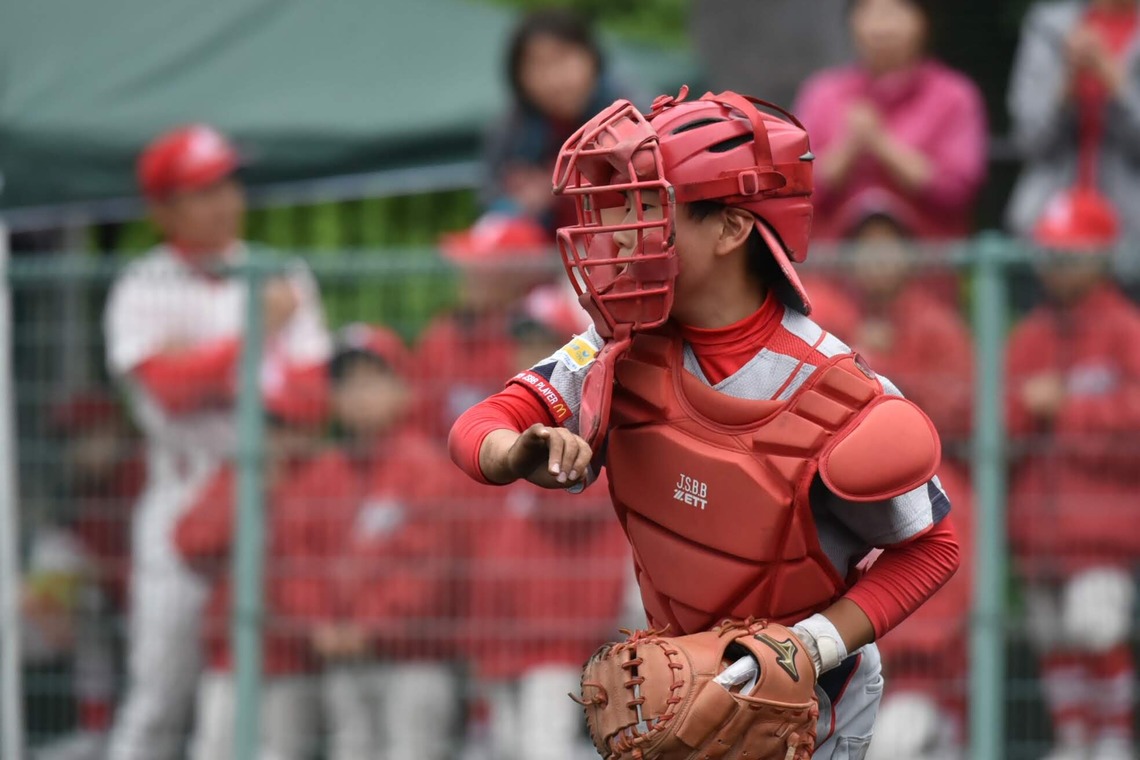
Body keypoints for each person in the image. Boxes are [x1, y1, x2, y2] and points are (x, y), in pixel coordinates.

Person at [450, 86, 960, 755]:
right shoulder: (617, 346)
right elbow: (478, 426)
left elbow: (932, 549)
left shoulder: (837, 391)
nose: (627, 231)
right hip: (674, 696)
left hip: (809, 713)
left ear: (731, 227)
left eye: (652, 208)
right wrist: (516, 452)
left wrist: (808, 647)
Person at [102, 124, 331, 760]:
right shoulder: (142, 284)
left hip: (267, 488)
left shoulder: (280, 272)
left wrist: (205, 364)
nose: (226, 198)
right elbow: (168, 392)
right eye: (203, 189)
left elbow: (310, 401)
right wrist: (256, 340)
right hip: (184, 488)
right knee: (159, 697)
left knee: (249, 684)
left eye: (228, 181)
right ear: (165, 209)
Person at [465, 287, 629, 760]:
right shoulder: (502, 430)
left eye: (541, 342)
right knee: (506, 749)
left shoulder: (589, 429)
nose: (525, 354)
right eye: (520, 341)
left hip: (561, 642)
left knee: (545, 749)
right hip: (500, 639)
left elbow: (579, 510)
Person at [1007, 188, 1140, 760]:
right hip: (1040, 530)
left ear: (1103, 254)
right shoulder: (1029, 335)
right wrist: (1027, 409)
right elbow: (994, 427)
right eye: (1053, 254)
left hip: (1105, 530)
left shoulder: (1126, 328)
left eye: (1073, 254)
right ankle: (1074, 740)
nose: (1059, 267)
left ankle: (1114, 738)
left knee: (1096, 631)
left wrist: (1066, 409)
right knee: (1054, 641)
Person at [307, 325, 464, 760]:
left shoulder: (425, 468)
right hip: (342, 656)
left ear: (404, 389)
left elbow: (430, 569)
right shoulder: (324, 473)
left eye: (372, 379)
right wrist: (321, 623)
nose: (359, 393)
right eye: (347, 383)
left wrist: (370, 627)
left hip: (414, 659)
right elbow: (300, 559)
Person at [173, 383, 328, 760]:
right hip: (234, 654)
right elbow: (190, 543)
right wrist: (250, 491)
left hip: (296, 657)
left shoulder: (323, 477)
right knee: (214, 750)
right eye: (270, 425)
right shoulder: (236, 475)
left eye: (287, 425)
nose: (278, 437)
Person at [794, 0, 987, 241]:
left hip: (928, 268)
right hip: (830, 270)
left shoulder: (955, 96)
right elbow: (795, 191)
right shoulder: (822, 94)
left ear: (924, 21)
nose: (882, 27)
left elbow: (958, 191)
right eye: (870, 12)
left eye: (895, 12)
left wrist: (880, 143)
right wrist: (848, 148)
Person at [805, 192, 974, 449]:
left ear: (909, 254)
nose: (877, 256)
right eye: (865, 244)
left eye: (887, 243)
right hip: (844, 454)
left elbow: (959, 416)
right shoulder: (832, 317)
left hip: (927, 457)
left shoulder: (936, 323)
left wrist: (885, 367)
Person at [482, 8, 641, 234]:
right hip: (544, 258)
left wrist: (562, 186)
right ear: (518, 75)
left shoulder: (631, 113)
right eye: (537, 64)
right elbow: (491, 202)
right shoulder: (511, 131)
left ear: (591, 58)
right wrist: (518, 205)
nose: (553, 77)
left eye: (563, 58)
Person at [1007, 0, 1140, 256]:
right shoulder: (1048, 26)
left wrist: (1115, 83)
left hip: (1131, 242)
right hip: (1047, 233)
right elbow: (1030, 141)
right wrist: (1067, 84)